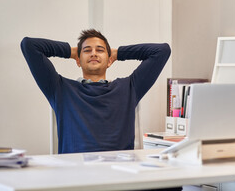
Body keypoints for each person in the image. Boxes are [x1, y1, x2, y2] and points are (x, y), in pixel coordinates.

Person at [20, 29, 171, 154]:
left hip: (119, 175)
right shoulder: (60, 89)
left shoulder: (129, 87)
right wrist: (72, 52)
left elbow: (162, 51)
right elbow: (29, 45)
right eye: (87, 51)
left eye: (100, 50)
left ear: (110, 60)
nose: (93, 53)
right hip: (77, 176)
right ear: (78, 60)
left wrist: (117, 53)